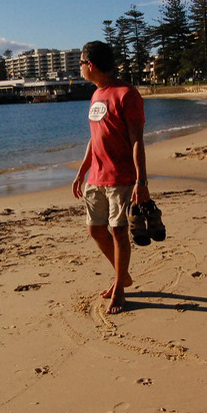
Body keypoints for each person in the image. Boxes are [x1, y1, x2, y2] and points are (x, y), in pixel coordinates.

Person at [72, 41, 149, 314]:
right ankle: (123, 275)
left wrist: (141, 182)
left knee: (118, 231)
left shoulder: (126, 94)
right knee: (96, 229)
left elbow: (137, 140)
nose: (79, 68)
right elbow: (96, 137)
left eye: (80, 63)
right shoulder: (95, 95)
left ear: (89, 65)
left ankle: (119, 286)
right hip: (96, 176)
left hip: (121, 177)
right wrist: (83, 169)